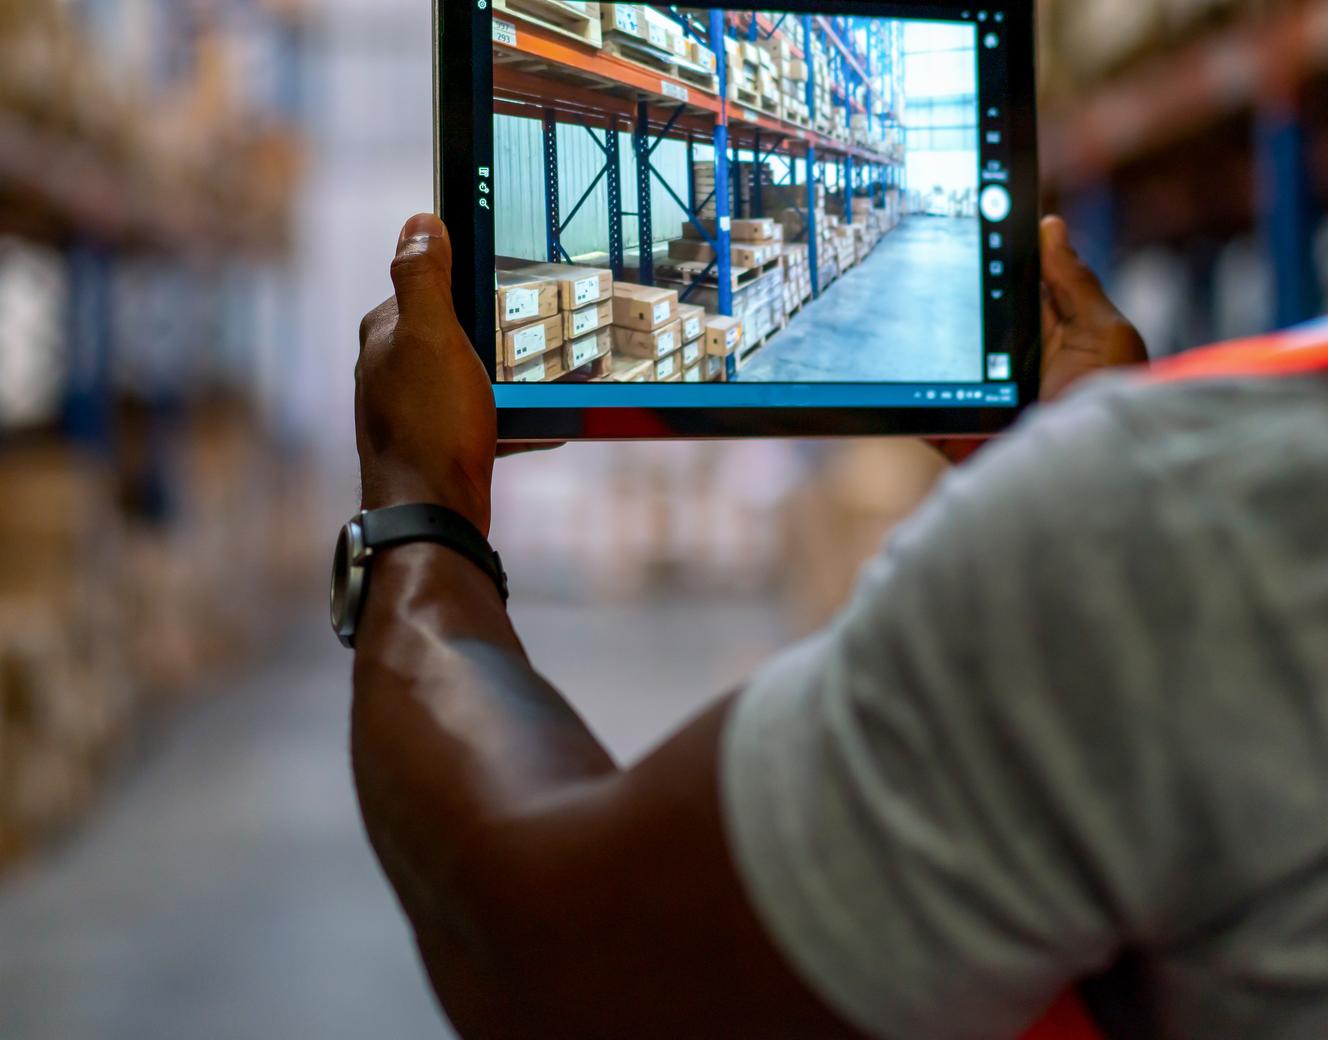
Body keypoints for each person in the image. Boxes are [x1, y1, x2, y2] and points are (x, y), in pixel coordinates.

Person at [346, 211, 1328, 1040]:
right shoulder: (1203, 510)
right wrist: (1066, 479)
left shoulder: (1207, 510)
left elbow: (539, 950)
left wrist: (419, 496)